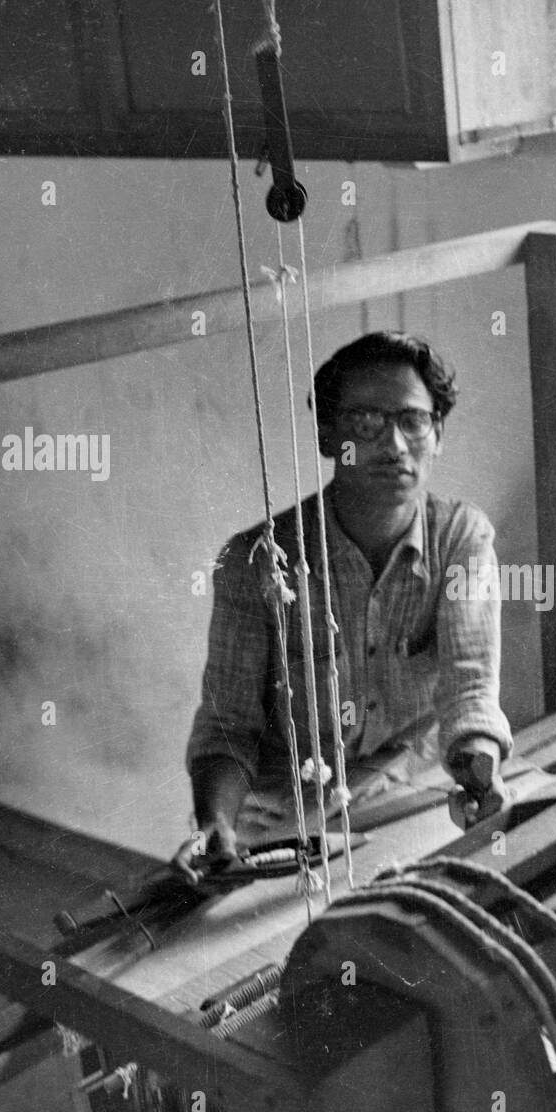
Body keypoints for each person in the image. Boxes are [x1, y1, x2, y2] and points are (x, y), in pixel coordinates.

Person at [174, 332, 513, 874]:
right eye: (365, 424)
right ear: (329, 437)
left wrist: (479, 773)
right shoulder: (257, 561)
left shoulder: (460, 540)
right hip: (285, 817)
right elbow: (229, 726)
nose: (395, 445)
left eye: (413, 421)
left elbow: (469, 686)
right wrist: (216, 822)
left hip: (408, 788)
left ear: (438, 433)